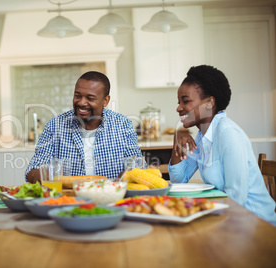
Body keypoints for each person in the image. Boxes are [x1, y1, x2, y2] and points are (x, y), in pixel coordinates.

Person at [168, 65, 276, 226]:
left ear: (210, 103)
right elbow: (179, 181)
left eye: (186, 101)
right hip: (231, 218)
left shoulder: (228, 134)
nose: (178, 108)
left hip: (256, 224)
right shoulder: (201, 136)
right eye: (179, 102)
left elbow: (236, 196)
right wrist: (177, 138)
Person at [25, 71, 142, 183]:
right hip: (67, 199)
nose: (81, 103)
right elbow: (32, 170)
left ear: (105, 101)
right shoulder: (54, 126)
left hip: (111, 197)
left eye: (90, 98)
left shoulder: (122, 125)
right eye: (77, 96)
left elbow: (137, 166)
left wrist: (126, 177)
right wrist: (44, 175)